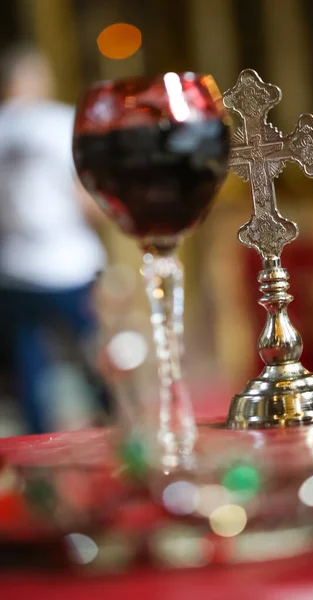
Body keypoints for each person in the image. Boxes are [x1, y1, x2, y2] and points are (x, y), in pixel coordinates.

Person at [0, 43, 108, 433]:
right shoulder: (58, 121)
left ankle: (34, 459)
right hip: (68, 262)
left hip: (13, 266)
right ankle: (118, 438)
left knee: (31, 373)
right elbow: (86, 195)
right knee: (97, 360)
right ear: (30, 77)